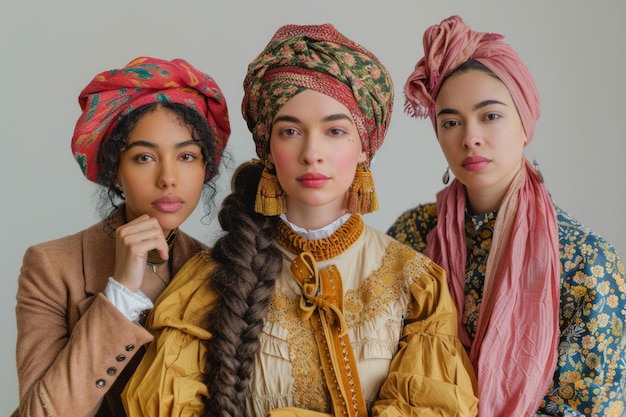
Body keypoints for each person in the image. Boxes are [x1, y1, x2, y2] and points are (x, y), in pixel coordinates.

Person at [122, 23, 478, 417]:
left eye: (335, 131)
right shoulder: (211, 280)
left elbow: (436, 406)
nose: (312, 152)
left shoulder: (415, 283)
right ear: (268, 147)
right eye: (290, 131)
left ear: (365, 146)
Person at [387, 15, 626, 417]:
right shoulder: (413, 234)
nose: (470, 137)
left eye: (490, 116)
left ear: (525, 124)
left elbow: (592, 408)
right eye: (450, 122)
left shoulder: (586, 262)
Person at [13, 56, 231, 417]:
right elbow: (41, 412)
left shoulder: (217, 271)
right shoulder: (52, 266)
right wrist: (120, 294)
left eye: (187, 156)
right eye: (145, 157)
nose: (169, 178)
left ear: (206, 168)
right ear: (116, 171)